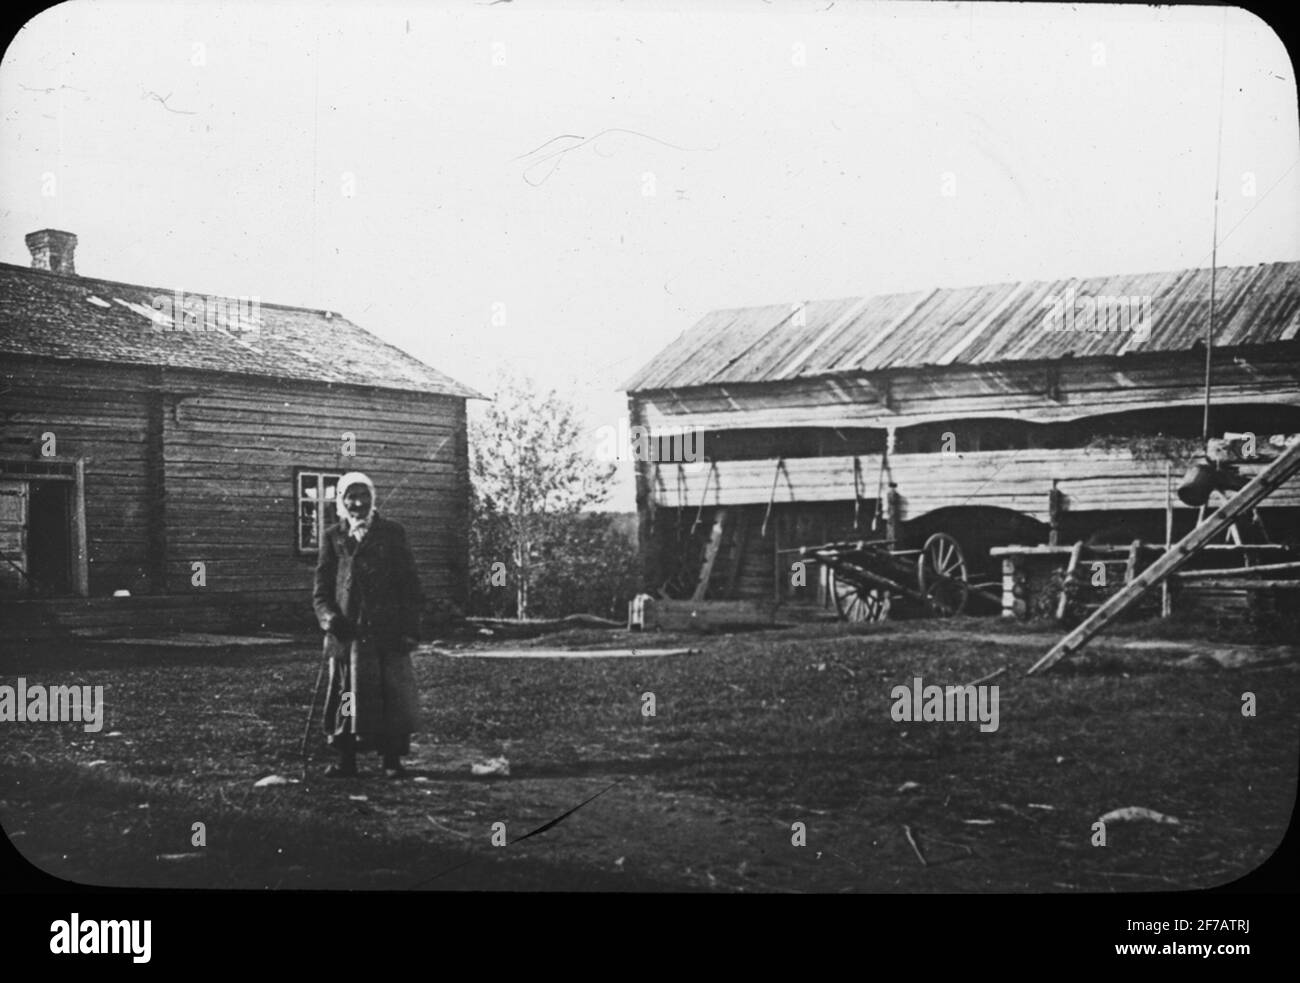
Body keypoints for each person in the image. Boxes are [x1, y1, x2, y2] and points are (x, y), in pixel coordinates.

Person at [312, 472, 423, 778]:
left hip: (386, 631)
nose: (357, 502)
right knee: (346, 694)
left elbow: (410, 586)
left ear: (373, 498)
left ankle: (392, 761)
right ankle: (346, 760)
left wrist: (410, 629)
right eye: (350, 496)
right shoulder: (333, 536)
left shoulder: (392, 533)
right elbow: (321, 589)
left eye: (363, 495)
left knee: (391, 696)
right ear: (342, 500)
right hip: (347, 632)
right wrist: (329, 619)